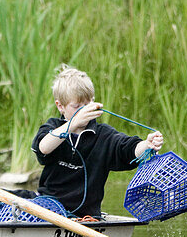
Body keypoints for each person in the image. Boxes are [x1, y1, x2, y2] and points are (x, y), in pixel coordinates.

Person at [31, 66, 163, 218]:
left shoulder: (104, 135)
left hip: (86, 216)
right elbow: (43, 148)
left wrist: (147, 145)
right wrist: (72, 124)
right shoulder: (53, 128)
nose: (84, 111)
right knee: (4, 197)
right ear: (60, 106)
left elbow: (128, 149)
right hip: (47, 207)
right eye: (77, 106)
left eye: (88, 105)